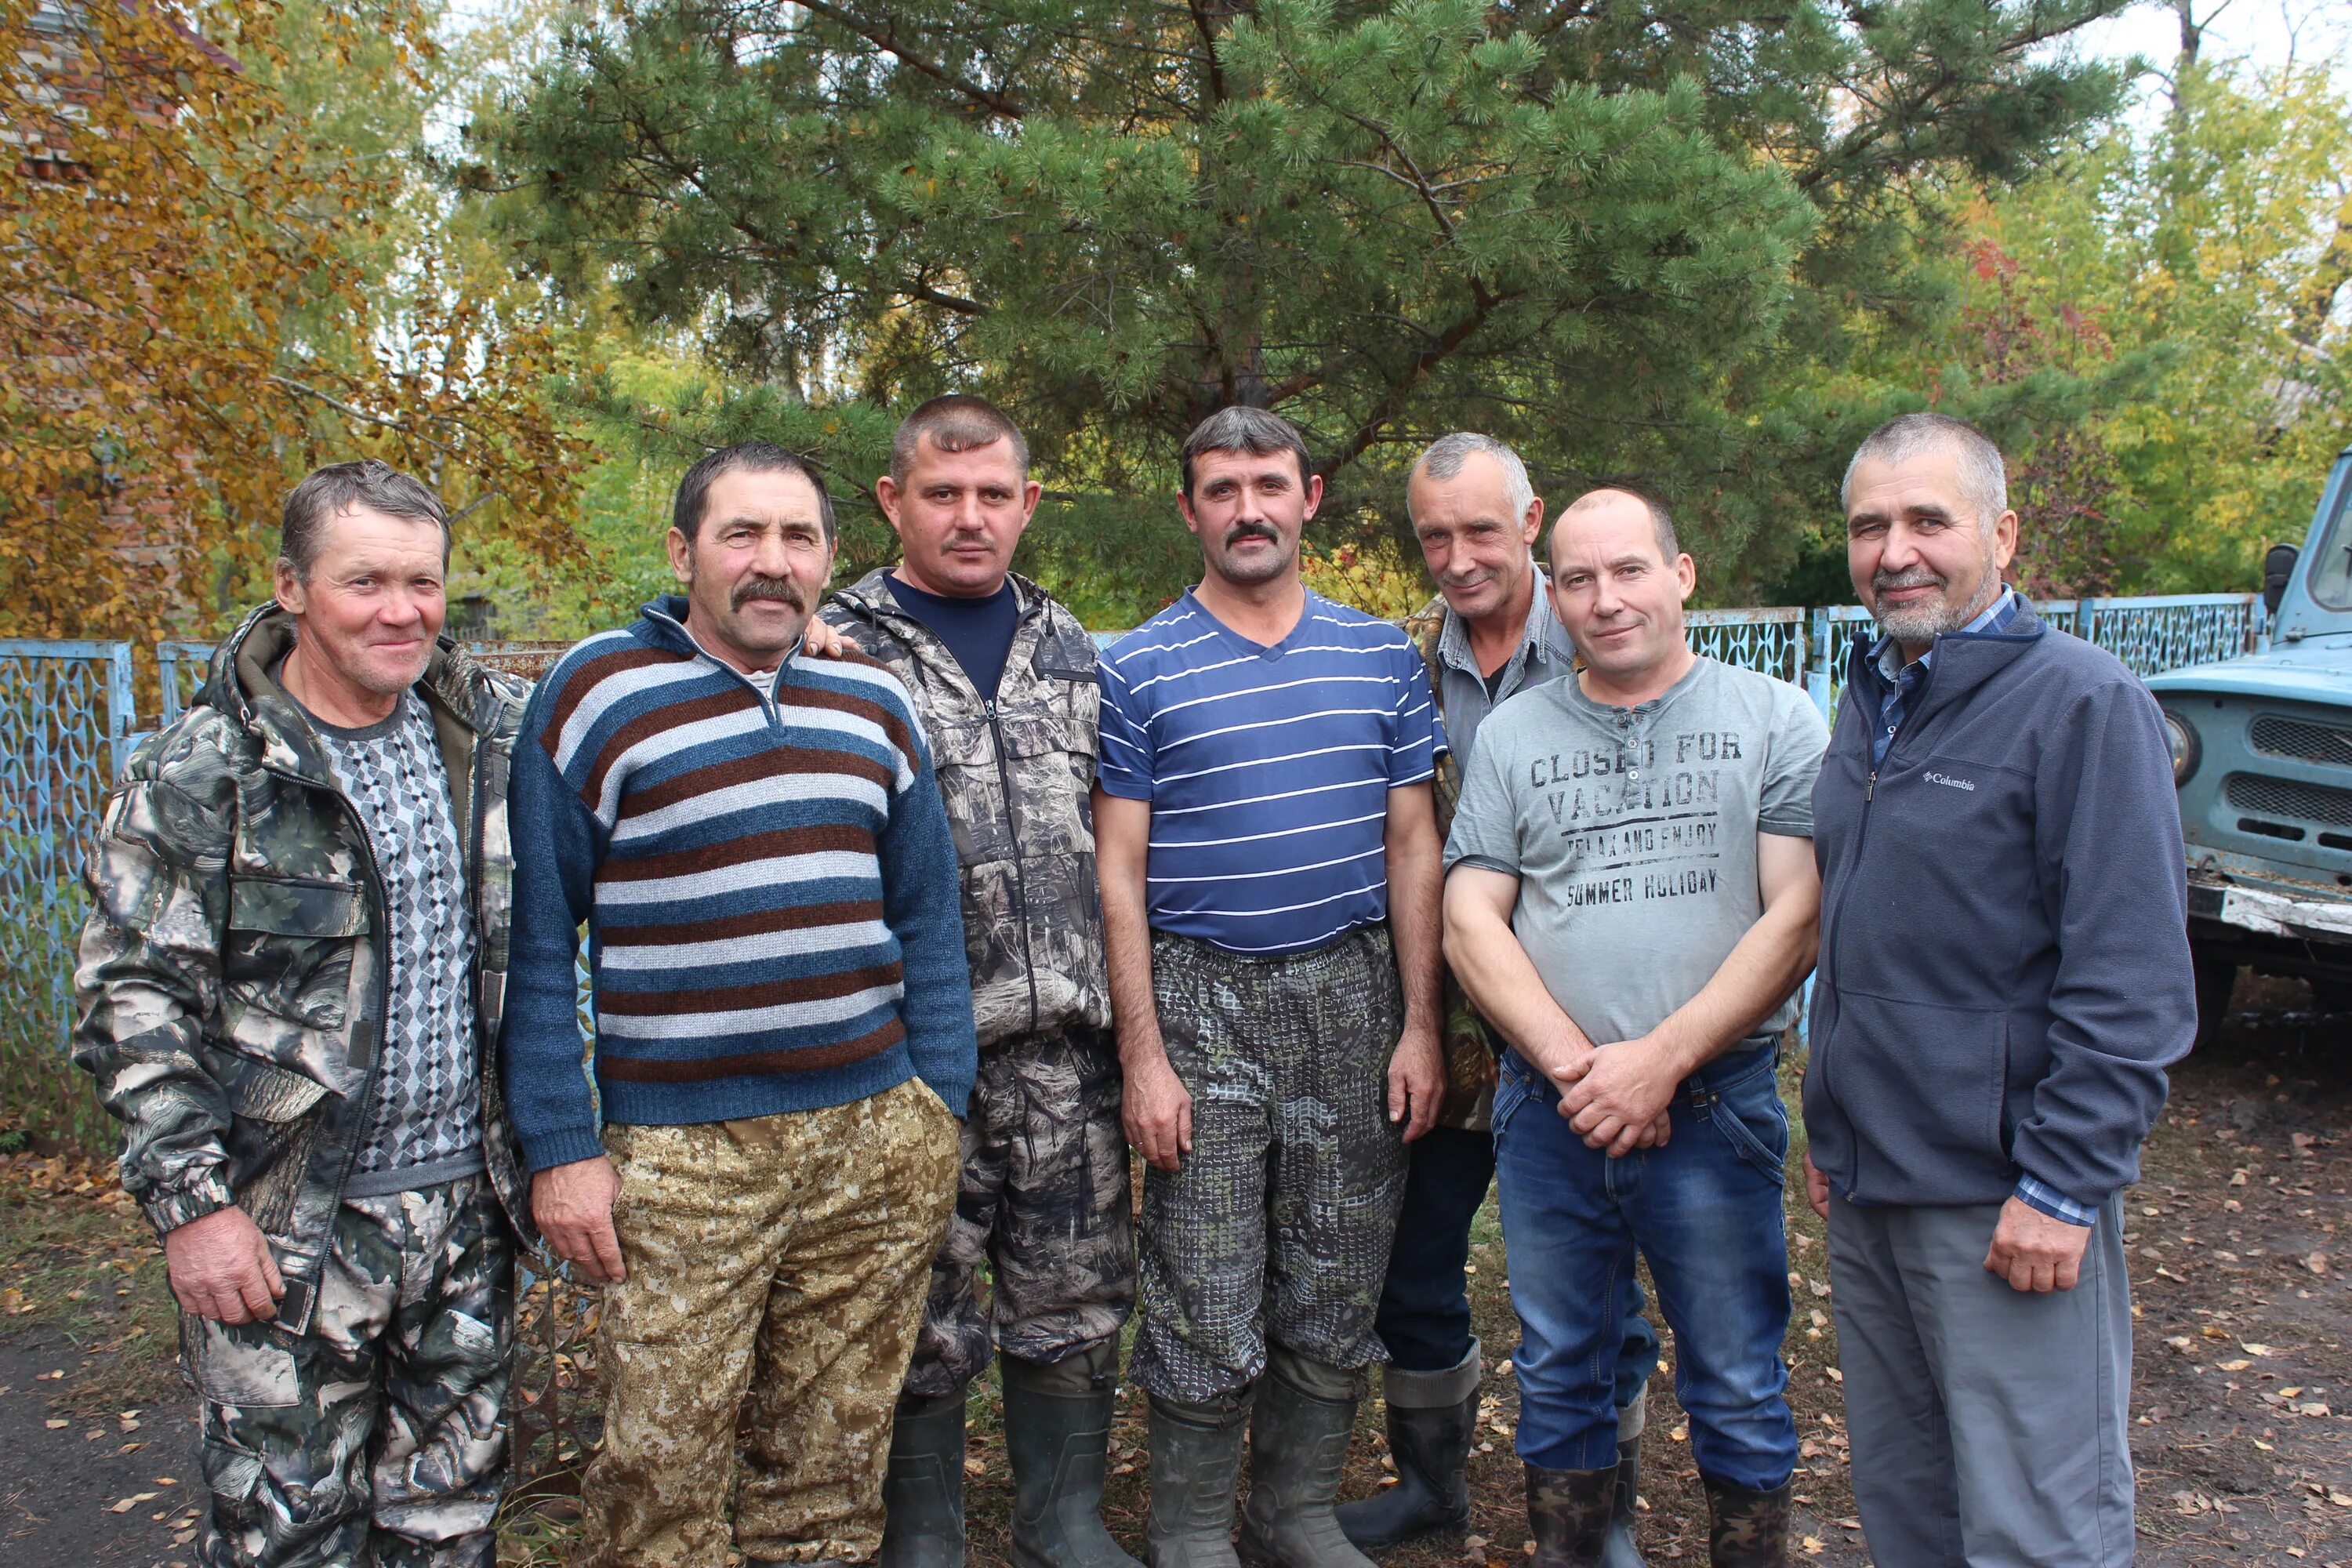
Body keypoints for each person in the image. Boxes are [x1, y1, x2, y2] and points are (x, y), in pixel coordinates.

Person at [500, 441, 975, 1568]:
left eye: (797, 537)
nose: (772, 563)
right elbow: (532, 943)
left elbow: (929, 920)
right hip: (680, 1154)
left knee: (827, 1466)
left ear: (829, 557)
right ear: (683, 552)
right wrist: (562, 1146)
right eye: (741, 535)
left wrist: (936, 1103)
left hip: (873, 1141)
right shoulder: (595, 696)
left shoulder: (871, 698)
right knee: (660, 1469)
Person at [74, 459, 534, 1567]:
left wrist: (801, 644)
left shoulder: (492, 739)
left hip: (465, 1226)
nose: (400, 611)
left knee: (450, 1528)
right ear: (292, 588)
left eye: (421, 583)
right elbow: (129, 995)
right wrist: (192, 1206)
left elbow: (650, 681)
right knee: (284, 1539)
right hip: (281, 1237)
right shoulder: (206, 770)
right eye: (363, 581)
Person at [1802, 412, 2194, 1567]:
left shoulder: (2081, 702)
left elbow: (2133, 978)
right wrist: (1839, 1133)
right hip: (1875, 1192)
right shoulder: (1875, 697)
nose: (1895, 552)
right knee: (1910, 1508)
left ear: (2004, 534)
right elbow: (1869, 937)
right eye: (1871, 527)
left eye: (1930, 519)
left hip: (2005, 1202)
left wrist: (2065, 1187)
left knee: (2037, 1526)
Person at [1443, 487, 1828, 1567]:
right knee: (1562, 1368)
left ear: (1682, 574)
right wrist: (1582, 1072)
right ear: (1554, 595)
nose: (1605, 600)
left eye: (1628, 571)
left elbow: (1796, 915)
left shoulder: (1775, 719)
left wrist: (1658, 1064)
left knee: (1738, 1377)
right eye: (1577, 579)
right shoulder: (1515, 734)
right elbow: (1471, 916)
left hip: (1716, 1107)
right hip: (1552, 1113)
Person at [1094, 405, 1448, 1568]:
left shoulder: (1384, 655)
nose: (1248, 509)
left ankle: (1291, 1512)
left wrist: (1419, 1026)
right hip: (1200, 1001)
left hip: (1352, 999)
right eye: (1220, 489)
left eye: (1268, 485)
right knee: (1203, 1275)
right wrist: (1143, 1055)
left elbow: (1412, 847)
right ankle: (1192, 1529)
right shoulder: (1136, 667)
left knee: (1341, 1265)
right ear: (1190, 509)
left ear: (1310, 499)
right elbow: (1121, 871)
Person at [820, 396, 1137, 1568]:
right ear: (893, 501)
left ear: (1028, 504)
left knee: (1075, 1298)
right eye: (942, 495)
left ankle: (1065, 1524)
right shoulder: (828, 644)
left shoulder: (1072, 645)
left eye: (993, 495)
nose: (970, 518)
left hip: (1068, 1053)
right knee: (918, 1314)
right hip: (913, 1059)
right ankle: (925, 1538)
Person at [1339, 434, 1661, 1567]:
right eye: (1435, 535)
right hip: (1440, 1026)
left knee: (1595, 1283)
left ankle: (1601, 1513)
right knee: (1412, 1263)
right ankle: (1433, 1489)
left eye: (1482, 529)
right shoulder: (1396, 669)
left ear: (1531, 523)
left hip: (1583, 1032)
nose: (1459, 556)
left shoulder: (1606, 642)